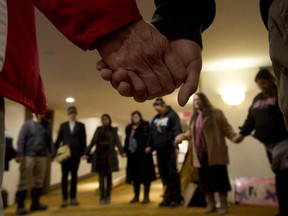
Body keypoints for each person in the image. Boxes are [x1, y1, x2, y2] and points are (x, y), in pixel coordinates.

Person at [234, 69, 288, 216]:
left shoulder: (281, 93)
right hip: (268, 145)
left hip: (283, 142)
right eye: (259, 84)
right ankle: (283, 209)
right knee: (279, 175)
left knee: (283, 175)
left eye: (264, 82)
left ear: (271, 80)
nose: (262, 86)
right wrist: (242, 134)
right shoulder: (257, 98)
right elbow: (250, 119)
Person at [175, 92, 237, 215]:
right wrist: (181, 136)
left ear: (204, 100)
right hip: (200, 155)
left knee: (220, 180)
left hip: (215, 153)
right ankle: (211, 204)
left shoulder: (216, 113)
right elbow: (190, 133)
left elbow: (226, 128)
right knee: (205, 181)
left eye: (198, 99)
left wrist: (234, 136)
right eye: (195, 100)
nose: (196, 102)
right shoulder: (194, 117)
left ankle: (223, 205)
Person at [15, 113, 53, 215]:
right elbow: (21, 139)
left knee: (39, 181)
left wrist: (52, 153)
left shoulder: (46, 125)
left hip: (42, 156)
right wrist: (20, 153)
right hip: (28, 156)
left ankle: (35, 204)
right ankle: (20, 206)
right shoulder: (27, 125)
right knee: (24, 181)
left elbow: (49, 141)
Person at [83, 114, 125, 204]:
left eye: (106, 119)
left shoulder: (113, 130)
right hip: (99, 157)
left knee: (109, 178)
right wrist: (86, 153)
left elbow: (117, 142)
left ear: (109, 120)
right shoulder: (98, 129)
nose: (104, 120)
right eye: (103, 119)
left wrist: (122, 152)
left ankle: (108, 196)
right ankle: (102, 197)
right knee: (101, 178)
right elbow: (92, 142)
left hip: (109, 158)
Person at [149, 97, 183, 207]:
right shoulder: (155, 118)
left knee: (172, 173)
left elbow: (176, 128)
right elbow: (152, 133)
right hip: (159, 149)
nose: (157, 111)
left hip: (169, 148)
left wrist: (177, 138)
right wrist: (150, 145)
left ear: (164, 106)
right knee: (163, 174)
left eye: (159, 108)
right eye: (156, 109)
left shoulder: (172, 115)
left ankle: (176, 198)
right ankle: (167, 198)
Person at [54, 106, 86, 207]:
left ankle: (73, 198)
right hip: (65, 155)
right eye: (71, 113)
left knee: (74, 177)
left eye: (74, 113)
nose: (73, 115)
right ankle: (64, 199)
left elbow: (83, 141)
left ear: (76, 114)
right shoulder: (63, 125)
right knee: (64, 177)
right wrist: (54, 153)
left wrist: (84, 153)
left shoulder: (81, 126)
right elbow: (59, 140)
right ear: (68, 114)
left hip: (76, 155)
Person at [124, 111, 156, 204]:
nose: (135, 118)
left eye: (137, 116)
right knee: (135, 177)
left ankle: (146, 197)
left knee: (146, 177)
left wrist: (150, 146)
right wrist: (125, 151)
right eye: (133, 116)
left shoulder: (146, 125)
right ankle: (136, 196)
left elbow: (150, 137)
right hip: (133, 156)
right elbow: (127, 140)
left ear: (140, 117)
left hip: (144, 155)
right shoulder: (129, 128)